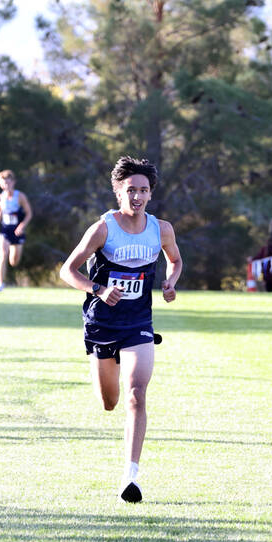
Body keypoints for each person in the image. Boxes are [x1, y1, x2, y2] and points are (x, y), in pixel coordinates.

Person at [58, 156, 182, 503]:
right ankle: (103, 367)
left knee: (135, 393)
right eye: (131, 190)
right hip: (101, 323)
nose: (137, 197)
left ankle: (131, 477)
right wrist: (98, 289)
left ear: (150, 194)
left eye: (143, 190)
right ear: (118, 191)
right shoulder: (103, 228)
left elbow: (175, 259)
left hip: (138, 324)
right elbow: (68, 270)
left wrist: (170, 282)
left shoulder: (162, 229)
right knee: (109, 402)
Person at [0, 169, 33, 292]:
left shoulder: (20, 196)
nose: (6, 185)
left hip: (17, 231)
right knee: (2, 254)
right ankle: (0, 284)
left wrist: (22, 226)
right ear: (0, 184)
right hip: (5, 230)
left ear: (13, 182)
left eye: (8, 182)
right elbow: (0, 213)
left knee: (14, 261)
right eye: (3, 183)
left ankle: (6, 275)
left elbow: (29, 213)